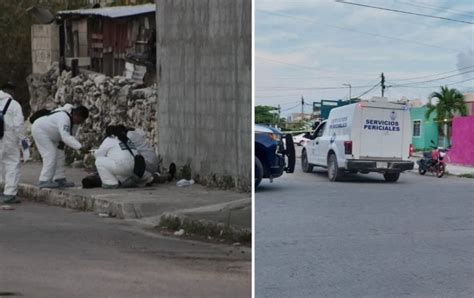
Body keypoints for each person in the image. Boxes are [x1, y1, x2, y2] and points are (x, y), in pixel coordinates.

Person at [31, 104, 90, 188]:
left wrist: (64, 142)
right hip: (40, 130)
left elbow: (70, 135)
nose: (80, 123)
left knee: (60, 155)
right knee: (50, 154)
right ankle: (44, 180)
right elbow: (66, 137)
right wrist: (80, 147)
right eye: (80, 120)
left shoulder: (74, 120)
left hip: (52, 133)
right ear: (76, 115)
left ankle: (59, 178)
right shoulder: (64, 118)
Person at [0, 82, 24, 204]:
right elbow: (18, 125)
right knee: (12, 163)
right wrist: (22, 142)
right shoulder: (14, 104)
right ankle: (9, 193)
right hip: (8, 136)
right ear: (11, 92)